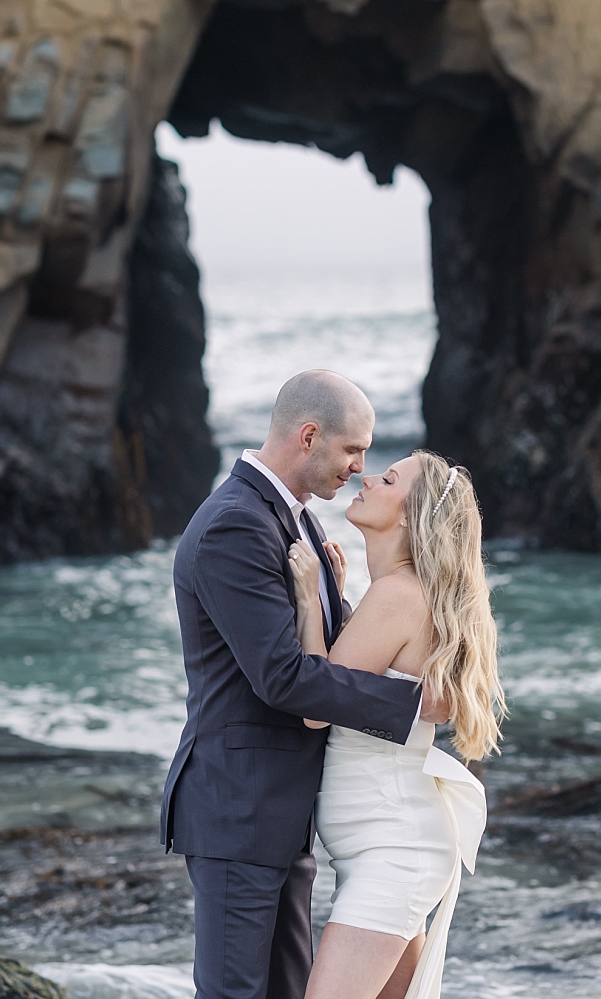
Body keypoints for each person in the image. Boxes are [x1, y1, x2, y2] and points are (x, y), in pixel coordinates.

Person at [160, 370, 445, 999]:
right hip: (239, 808)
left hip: (281, 815)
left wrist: (334, 601)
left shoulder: (301, 524)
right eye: (353, 450)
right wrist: (417, 704)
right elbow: (282, 678)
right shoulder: (237, 525)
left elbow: (331, 657)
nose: (359, 467)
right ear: (309, 436)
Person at [287, 449, 503, 999]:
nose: (365, 476)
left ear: (410, 516)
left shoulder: (399, 596)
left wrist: (312, 604)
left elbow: (317, 705)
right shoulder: (400, 596)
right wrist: (334, 599)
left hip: (393, 850)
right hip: (387, 847)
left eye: (387, 479)